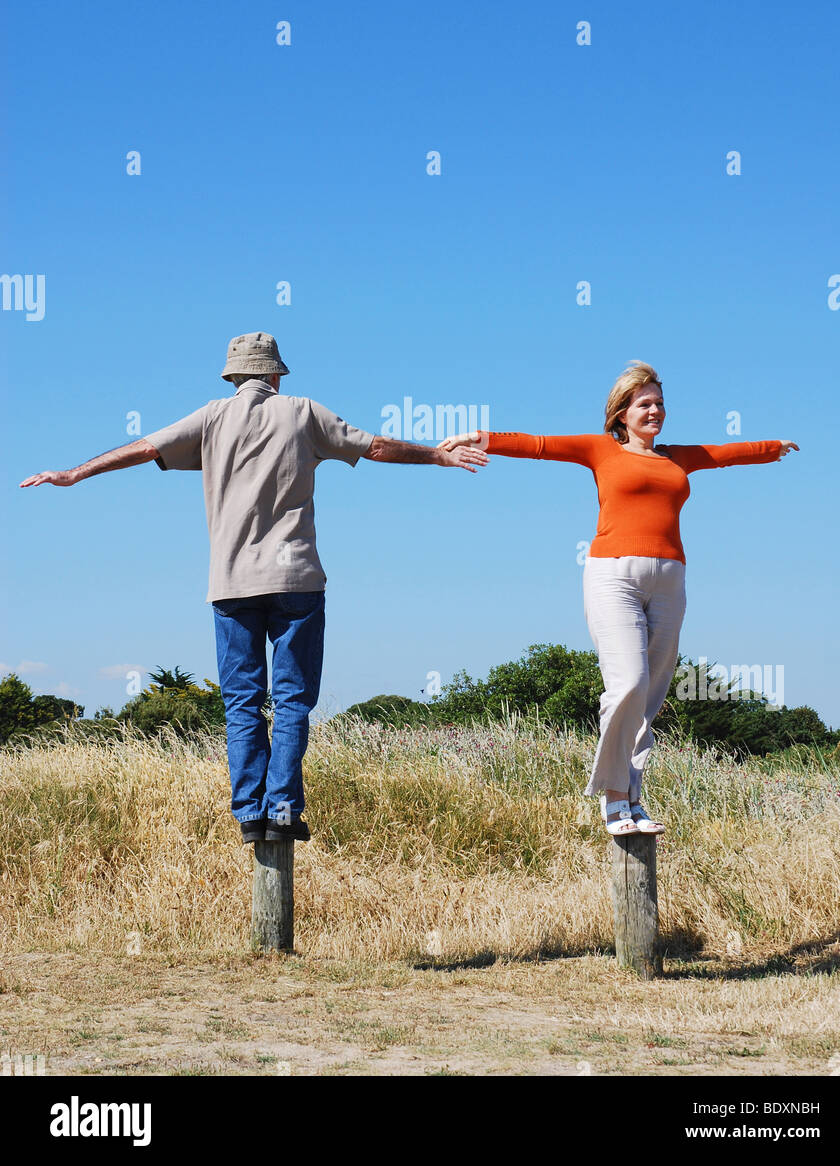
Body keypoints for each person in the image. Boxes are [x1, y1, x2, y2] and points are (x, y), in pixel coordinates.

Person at [20, 331, 487, 845]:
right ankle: (283, 807)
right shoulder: (303, 412)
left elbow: (141, 448)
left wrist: (73, 474)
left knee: (242, 702)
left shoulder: (211, 418)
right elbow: (374, 446)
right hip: (297, 582)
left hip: (231, 583)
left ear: (232, 375)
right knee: (291, 701)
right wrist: (437, 456)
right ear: (275, 374)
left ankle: (249, 812)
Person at [439, 360, 798, 836]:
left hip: (670, 579)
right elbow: (538, 445)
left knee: (649, 695)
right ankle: (612, 798)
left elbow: (726, 453)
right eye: (645, 403)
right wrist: (477, 437)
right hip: (613, 576)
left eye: (660, 403)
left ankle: (633, 794)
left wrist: (774, 448)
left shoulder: (676, 458)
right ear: (622, 412)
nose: (656, 411)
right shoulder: (601, 451)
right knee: (627, 682)